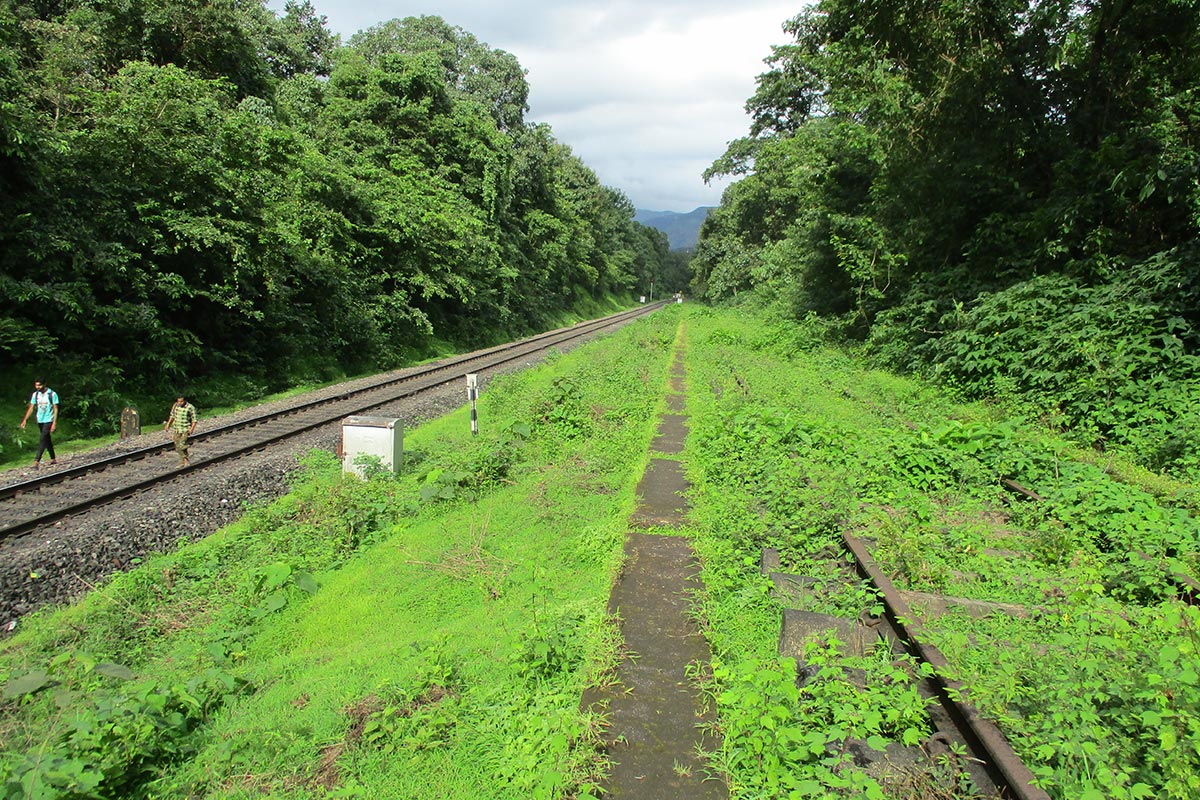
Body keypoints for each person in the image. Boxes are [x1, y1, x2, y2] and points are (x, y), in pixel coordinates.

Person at [19, 378, 59, 469]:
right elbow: (31, 407)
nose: (38, 387)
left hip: (49, 419)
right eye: (36, 385)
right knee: (46, 439)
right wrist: (25, 420)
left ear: (44, 384)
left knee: (42, 439)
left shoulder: (52, 394)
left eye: (39, 385)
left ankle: (36, 461)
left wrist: (54, 422)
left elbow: (55, 408)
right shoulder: (36, 395)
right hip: (40, 419)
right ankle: (53, 458)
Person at [164, 394, 198, 467]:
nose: (179, 403)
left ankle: (185, 456)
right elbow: (172, 415)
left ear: (185, 400)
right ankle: (184, 461)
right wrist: (168, 424)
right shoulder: (175, 406)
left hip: (185, 429)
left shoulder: (190, 407)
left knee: (181, 445)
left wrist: (192, 429)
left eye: (181, 401)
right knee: (177, 446)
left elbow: (194, 419)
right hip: (177, 428)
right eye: (178, 401)